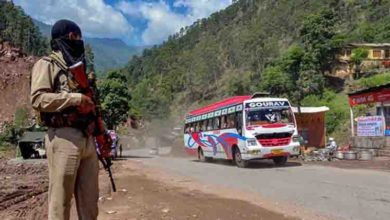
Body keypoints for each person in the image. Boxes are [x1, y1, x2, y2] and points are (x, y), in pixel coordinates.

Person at [30, 19, 111, 220]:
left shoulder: (82, 72)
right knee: (60, 202)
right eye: (74, 37)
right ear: (63, 38)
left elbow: (94, 107)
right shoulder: (47, 64)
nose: (78, 41)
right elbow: (38, 99)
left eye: (79, 37)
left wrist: (102, 134)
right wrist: (74, 99)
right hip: (63, 137)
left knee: (90, 203)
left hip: (87, 139)